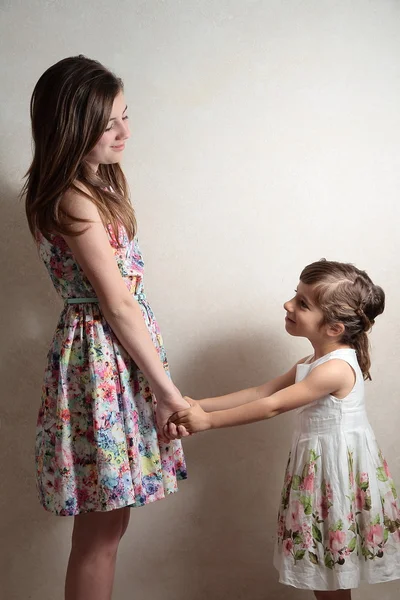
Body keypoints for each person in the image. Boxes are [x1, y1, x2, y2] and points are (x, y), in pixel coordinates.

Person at [23, 55, 189, 600]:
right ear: (71, 125)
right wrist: (167, 392)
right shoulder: (73, 196)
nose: (125, 131)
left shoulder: (95, 185)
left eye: (126, 115)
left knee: (110, 524)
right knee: (99, 530)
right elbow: (116, 303)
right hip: (102, 363)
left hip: (116, 360)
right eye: (109, 121)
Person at [170, 259, 400, 599]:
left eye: (302, 303)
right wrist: (202, 405)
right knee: (325, 572)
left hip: (335, 477)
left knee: (331, 573)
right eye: (295, 295)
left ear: (334, 327)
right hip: (319, 471)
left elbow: (272, 406)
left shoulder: (335, 369)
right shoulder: (311, 362)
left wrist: (208, 422)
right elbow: (263, 391)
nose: (288, 304)